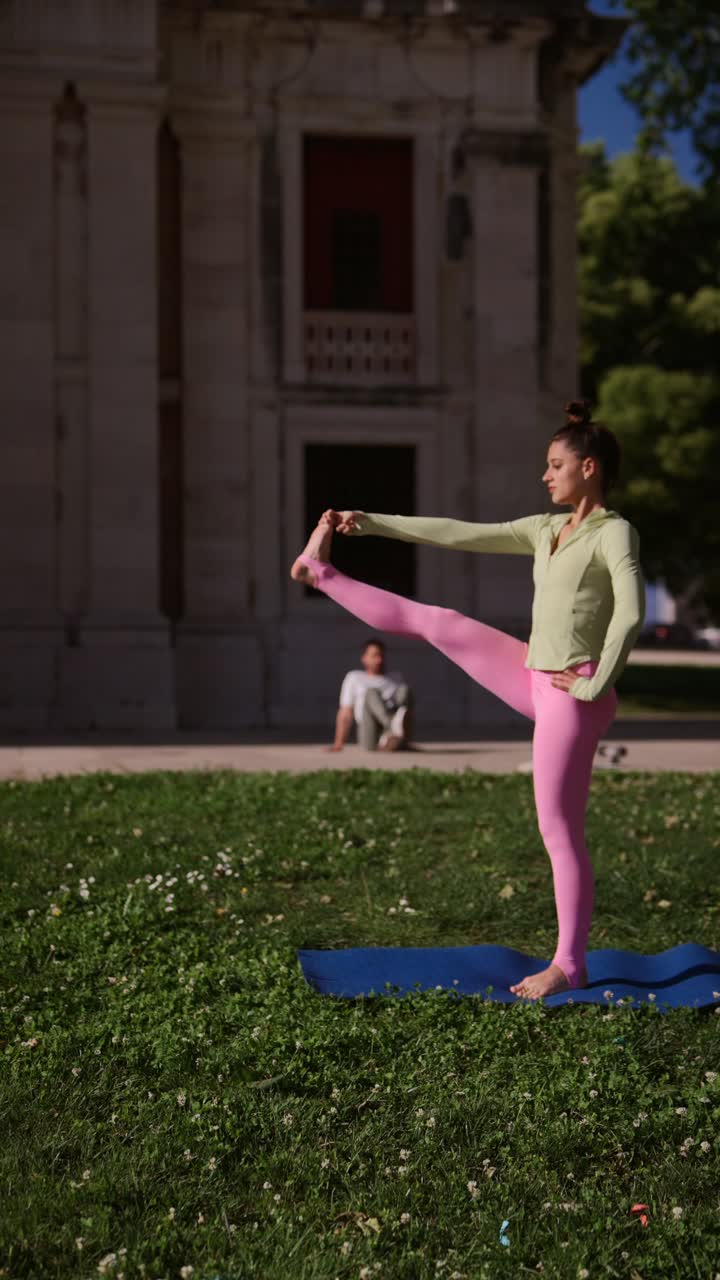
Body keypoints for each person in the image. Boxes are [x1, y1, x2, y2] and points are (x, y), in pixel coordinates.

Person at [291, 399, 645, 1000]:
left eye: (556, 464)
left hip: (574, 694)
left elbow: (631, 613)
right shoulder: (545, 530)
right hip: (536, 672)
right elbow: (457, 533)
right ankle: (320, 573)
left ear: (590, 468)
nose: (546, 474)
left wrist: (594, 682)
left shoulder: (614, 532)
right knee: (441, 621)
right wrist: (370, 521)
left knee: (559, 828)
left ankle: (569, 963)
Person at [329, 638, 413, 753]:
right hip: (370, 731)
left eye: (382, 656)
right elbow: (345, 713)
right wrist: (338, 743)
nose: (379, 660)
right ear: (364, 658)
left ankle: (397, 738)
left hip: (394, 732)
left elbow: (405, 710)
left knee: (405, 690)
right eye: (375, 656)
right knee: (371, 693)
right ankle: (391, 727)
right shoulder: (354, 677)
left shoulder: (395, 677)